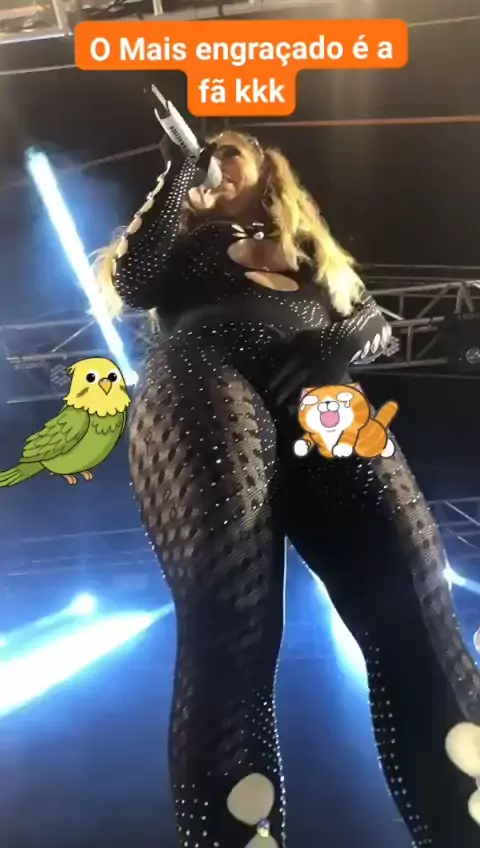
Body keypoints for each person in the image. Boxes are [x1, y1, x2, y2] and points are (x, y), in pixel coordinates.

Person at [96, 127, 480, 847]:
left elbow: (369, 320)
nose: (214, 158)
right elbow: (133, 281)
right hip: (203, 381)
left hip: (320, 395)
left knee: (417, 607)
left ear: (266, 171)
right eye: (205, 150)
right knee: (235, 625)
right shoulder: (182, 242)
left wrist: (341, 341)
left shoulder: (307, 254)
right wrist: (180, 171)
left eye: (228, 150)